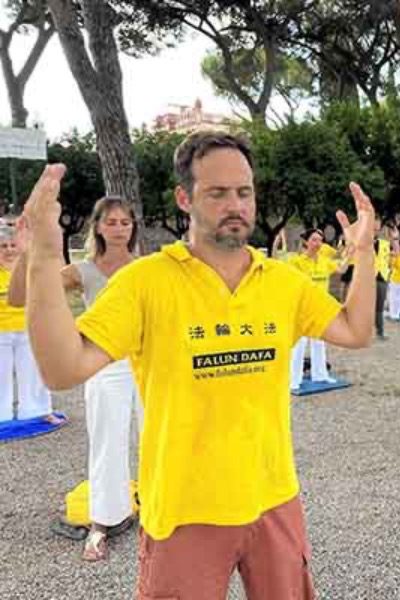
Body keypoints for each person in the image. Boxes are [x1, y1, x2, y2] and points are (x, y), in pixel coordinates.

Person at [21, 130, 377, 599]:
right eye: (218, 192)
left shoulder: (281, 283)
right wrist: (45, 254)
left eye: (244, 192)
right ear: (184, 198)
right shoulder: (145, 282)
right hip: (184, 509)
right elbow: (62, 368)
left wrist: (365, 253)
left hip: (274, 497)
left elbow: (355, 330)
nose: (236, 204)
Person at [10, 197, 143, 562]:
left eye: (125, 223)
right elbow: (26, 295)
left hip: (148, 363)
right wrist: (29, 251)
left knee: (158, 439)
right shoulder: (83, 271)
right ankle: (103, 521)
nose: (119, 228)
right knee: (106, 442)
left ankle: (160, 509)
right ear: (98, 227)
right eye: (112, 222)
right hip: (105, 366)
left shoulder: (145, 268)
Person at [0, 224, 58, 425]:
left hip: (27, 330)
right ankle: (2, 415)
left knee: (33, 372)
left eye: (12, 245)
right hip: (1, 334)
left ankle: (38, 411)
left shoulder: (29, 270)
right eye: (3, 246)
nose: (8, 250)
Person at [288, 229, 352, 391]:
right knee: (299, 345)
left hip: (321, 309)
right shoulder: (297, 262)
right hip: (302, 309)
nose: (318, 244)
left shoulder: (324, 260)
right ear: (306, 242)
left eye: (320, 240)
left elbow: (341, 270)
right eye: (314, 240)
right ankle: (293, 379)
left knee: (319, 343)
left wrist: (350, 254)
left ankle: (320, 374)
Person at [373, 217, 391, 340]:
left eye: (377, 228)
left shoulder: (385, 243)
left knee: (379, 307)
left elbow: (390, 257)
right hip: (367, 278)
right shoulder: (361, 243)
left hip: (382, 277)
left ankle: (380, 331)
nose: (375, 230)